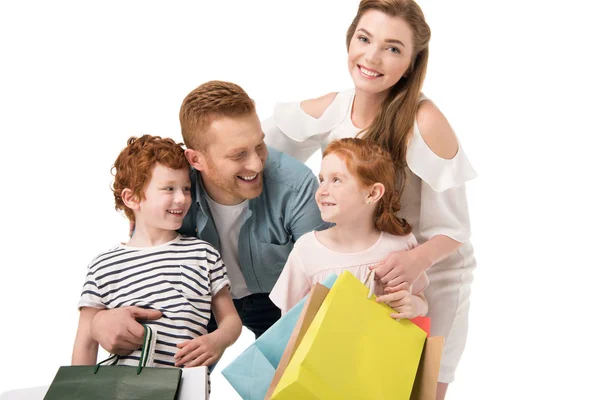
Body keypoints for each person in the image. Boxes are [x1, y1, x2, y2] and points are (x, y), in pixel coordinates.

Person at [262, 1, 477, 397]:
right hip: (363, 270)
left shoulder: (423, 121)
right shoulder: (335, 107)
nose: (372, 56)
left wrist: (415, 261)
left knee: (417, 390)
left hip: (430, 273)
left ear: (412, 64)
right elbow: (258, 148)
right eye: (364, 38)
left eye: (393, 48)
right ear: (350, 41)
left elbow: (455, 230)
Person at [89, 81, 329, 359]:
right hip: (201, 299)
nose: (256, 163)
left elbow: (324, 279)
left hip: (278, 298)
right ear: (195, 160)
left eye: (259, 145)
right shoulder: (173, 193)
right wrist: (99, 320)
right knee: (172, 372)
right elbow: (142, 265)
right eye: (238, 154)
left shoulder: (296, 186)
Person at [72, 135, 242, 369]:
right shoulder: (104, 265)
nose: (181, 198)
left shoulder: (203, 254)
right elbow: (86, 343)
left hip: (187, 386)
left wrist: (217, 340)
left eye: (186, 188)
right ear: (132, 198)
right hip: (123, 390)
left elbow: (231, 320)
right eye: (168, 189)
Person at [270, 138, 429, 321]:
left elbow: (422, 300)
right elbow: (288, 322)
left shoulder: (401, 244)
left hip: (386, 348)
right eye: (321, 180)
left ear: (372, 193)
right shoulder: (306, 250)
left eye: (336, 180)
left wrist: (415, 305)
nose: (322, 190)